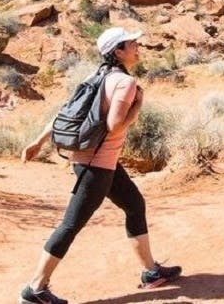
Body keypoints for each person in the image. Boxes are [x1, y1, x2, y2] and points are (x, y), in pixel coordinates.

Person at [18, 27, 181, 304]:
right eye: (132, 44)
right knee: (71, 224)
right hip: (98, 164)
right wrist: (137, 107)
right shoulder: (124, 83)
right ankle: (35, 288)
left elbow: (63, 114)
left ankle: (151, 272)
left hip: (95, 161)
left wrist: (38, 141)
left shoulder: (95, 77)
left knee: (134, 205)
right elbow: (115, 125)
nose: (137, 48)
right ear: (118, 51)